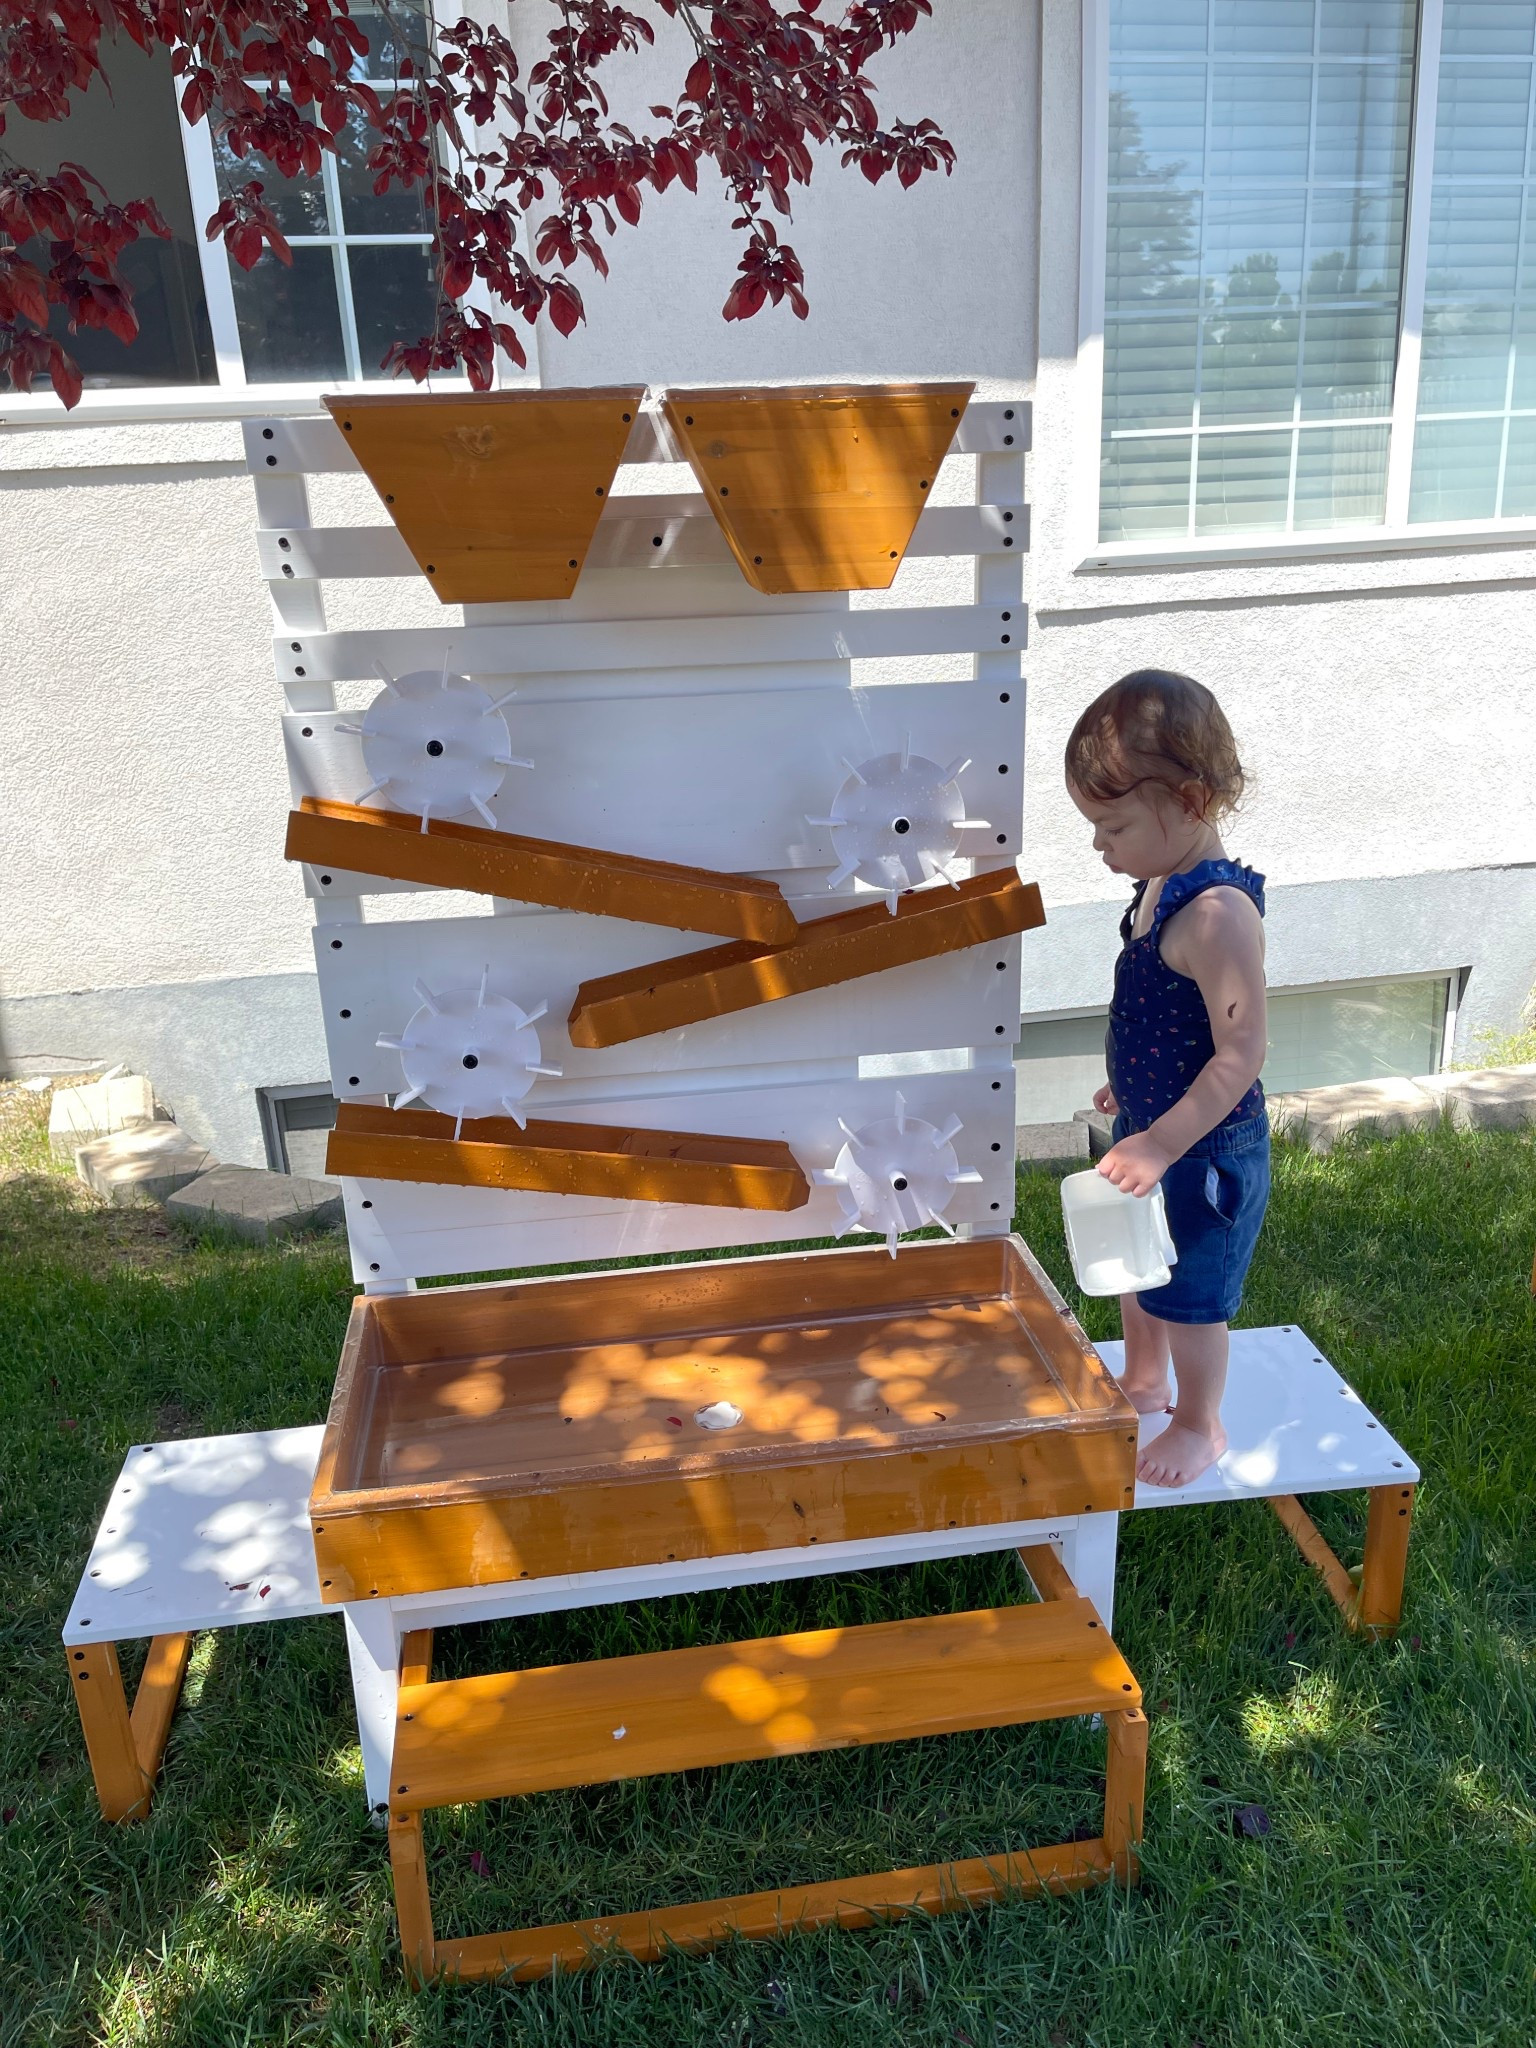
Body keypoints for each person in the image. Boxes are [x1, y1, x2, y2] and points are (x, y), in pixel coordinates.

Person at [1065, 669, 1269, 1488]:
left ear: (1188, 800)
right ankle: (1143, 1379)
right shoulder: (1159, 885)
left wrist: (1161, 1140)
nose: (1098, 844)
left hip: (1205, 1150)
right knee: (1135, 1260)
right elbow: (1167, 1020)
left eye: (1111, 825)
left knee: (1190, 1290)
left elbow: (1240, 1054)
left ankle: (1199, 1420)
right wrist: (1132, 1091)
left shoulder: (1218, 916)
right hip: (1155, 1128)